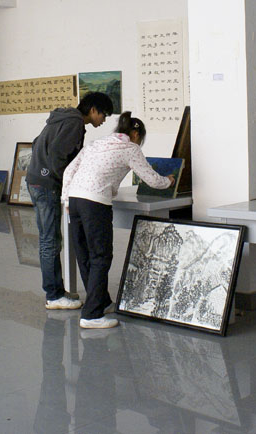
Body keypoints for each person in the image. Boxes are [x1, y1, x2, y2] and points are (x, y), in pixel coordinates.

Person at [62, 112, 174, 329]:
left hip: (74, 200)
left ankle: (101, 302)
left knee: (85, 255)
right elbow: (152, 179)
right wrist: (168, 181)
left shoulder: (96, 144)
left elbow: (69, 171)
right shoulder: (130, 148)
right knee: (100, 256)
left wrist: (66, 199)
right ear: (135, 134)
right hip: (95, 203)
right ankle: (91, 315)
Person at [26, 92, 114, 310]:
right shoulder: (74, 122)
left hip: (36, 180)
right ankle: (54, 295)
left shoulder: (62, 118)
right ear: (93, 110)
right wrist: (66, 182)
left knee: (49, 239)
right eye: (104, 115)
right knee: (50, 241)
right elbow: (57, 154)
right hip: (47, 185)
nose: (104, 120)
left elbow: (38, 143)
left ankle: (56, 290)